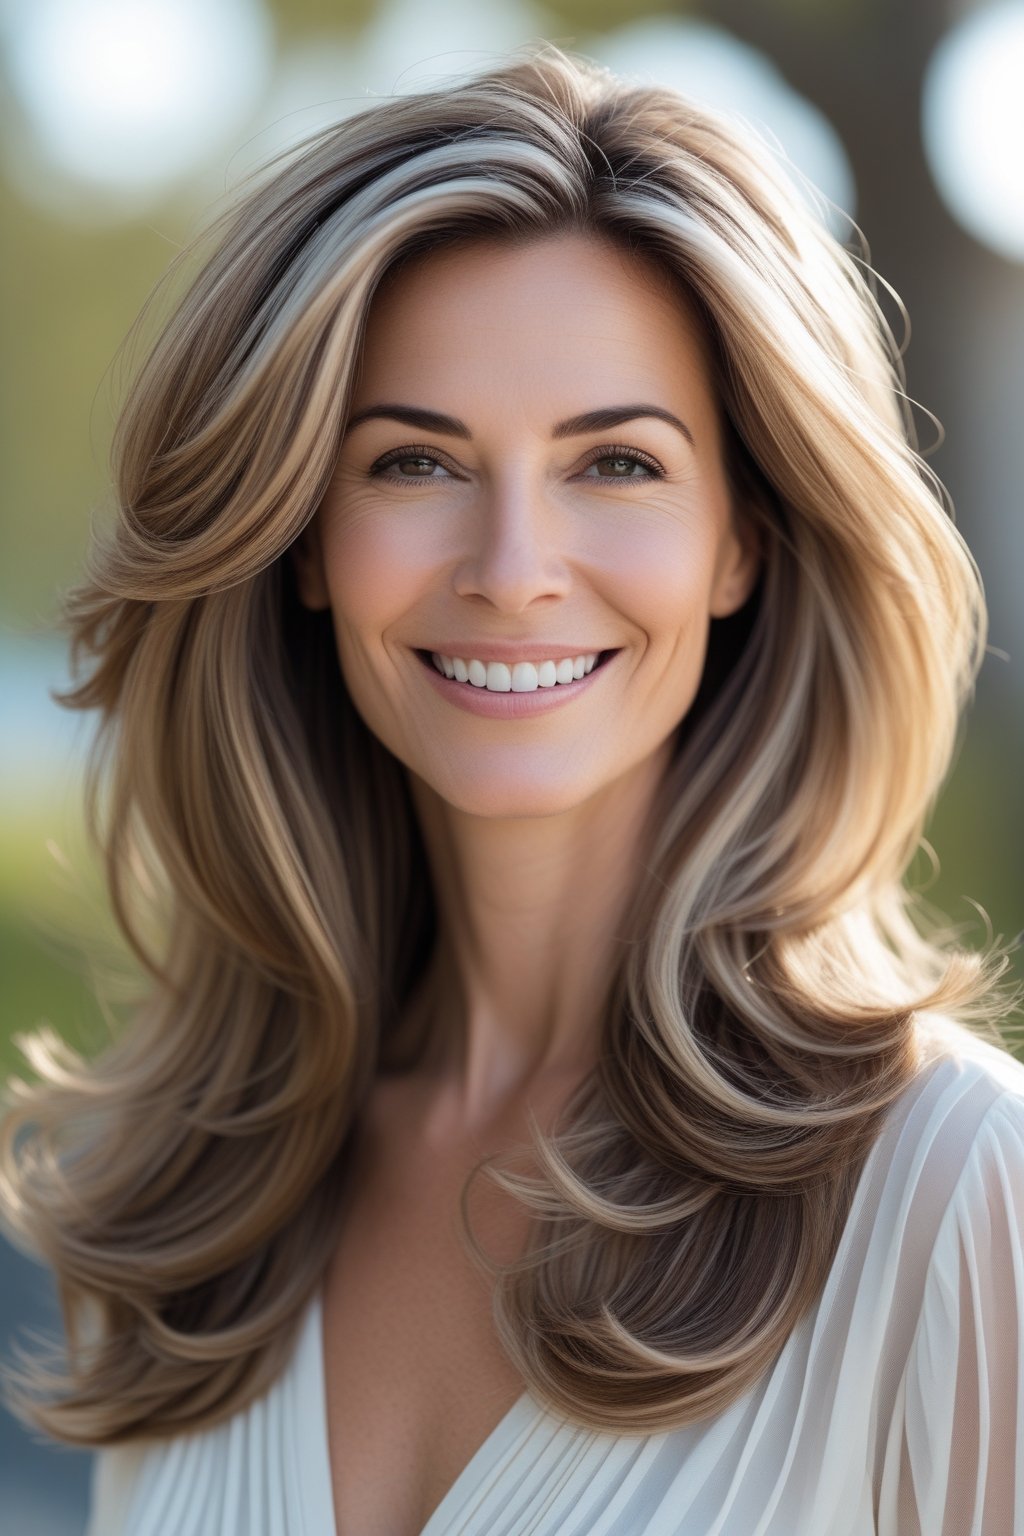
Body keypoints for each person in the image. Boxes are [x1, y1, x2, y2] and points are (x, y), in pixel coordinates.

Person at [1, 44, 1021, 1536]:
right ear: (301, 534)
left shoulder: (958, 1202)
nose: (512, 569)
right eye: (414, 465)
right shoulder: (194, 1215)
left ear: (746, 540)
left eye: (615, 462)